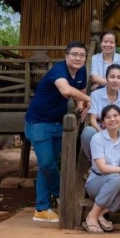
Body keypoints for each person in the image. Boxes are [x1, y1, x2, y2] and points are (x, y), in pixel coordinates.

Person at [24, 41, 91, 223]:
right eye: (74, 54)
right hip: (39, 123)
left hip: (58, 123)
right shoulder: (58, 70)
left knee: (49, 165)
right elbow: (66, 90)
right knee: (47, 164)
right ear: (66, 56)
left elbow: (80, 89)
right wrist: (88, 100)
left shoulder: (82, 71)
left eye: (82, 55)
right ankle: (63, 194)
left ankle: (41, 209)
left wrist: (79, 108)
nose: (78, 58)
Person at [83, 104, 120, 233]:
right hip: (96, 182)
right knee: (117, 178)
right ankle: (92, 216)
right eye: (108, 117)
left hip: (117, 181)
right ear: (103, 122)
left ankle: (100, 214)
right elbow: (103, 168)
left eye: (116, 116)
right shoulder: (97, 138)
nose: (112, 119)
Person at [81, 64, 120, 160]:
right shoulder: (95, 95)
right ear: (106, 78)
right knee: (88, 131)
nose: (115, 80)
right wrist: (102, 133)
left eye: (119, 77)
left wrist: (112, 133)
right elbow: (92, 119)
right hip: (99, 129)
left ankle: (119, 162)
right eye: (112, 77)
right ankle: (94, 161)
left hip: (116, 131)